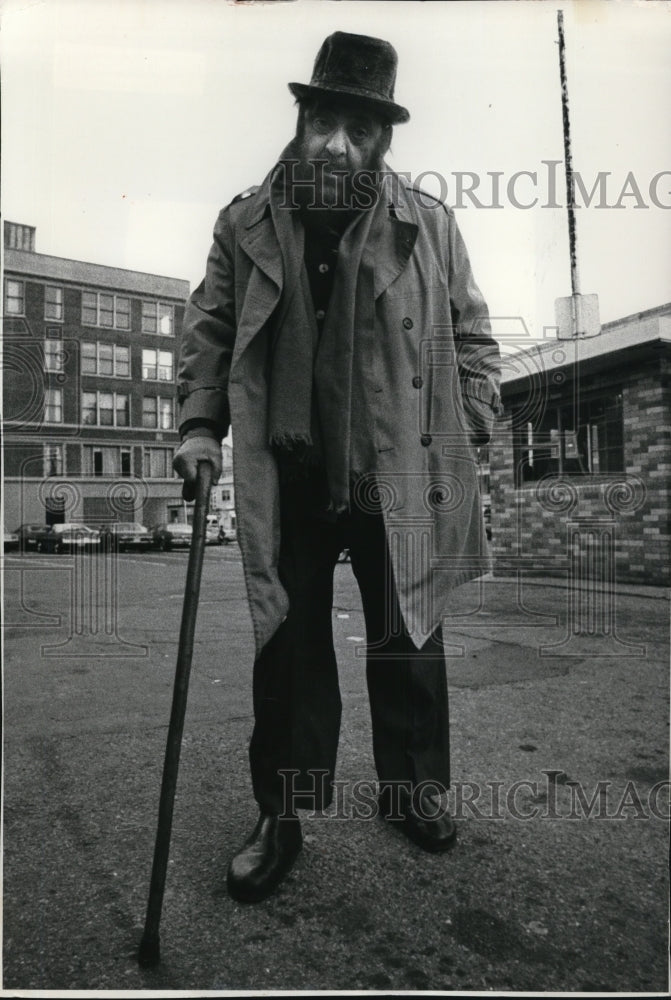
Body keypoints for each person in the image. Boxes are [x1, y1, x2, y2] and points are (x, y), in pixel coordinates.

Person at [173, 31, 502, 904]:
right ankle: (281, 814)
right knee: (288, 649)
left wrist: (468, 420)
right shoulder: (244, 222)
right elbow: (210, 331)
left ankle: (412, 789)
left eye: (359, 130)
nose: (337, 146)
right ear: (302, 120)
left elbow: (473, 335)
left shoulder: (428, 223)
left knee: (408, 639)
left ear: (381, 140)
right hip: (291, 470)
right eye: (324, 123)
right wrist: (199, 427)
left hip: (400, 468)